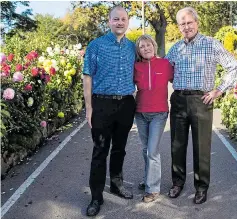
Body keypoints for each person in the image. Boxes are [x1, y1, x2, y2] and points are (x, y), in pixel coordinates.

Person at [165, 7, 237, 204]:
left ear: (197, 23)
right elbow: (165, 71)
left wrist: (218, 90)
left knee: (201, 147)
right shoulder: (175, 48)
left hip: (202, 100)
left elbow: (234, 67)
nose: (186, 26)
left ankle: (201, 187)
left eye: (189, 22)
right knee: (177, 145)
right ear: (179, 27)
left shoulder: (211, 44)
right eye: (182, 24)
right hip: (179, 100)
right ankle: (177, 183)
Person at [82, 6, 136, 217]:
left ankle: (116, 184)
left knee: (119, 149)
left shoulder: (133, 47)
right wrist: (89, 108)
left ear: (127, 22)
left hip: (125, 105)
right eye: (116, 19)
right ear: (109, 21)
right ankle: (96, 197)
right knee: (100, 150)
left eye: (123, 19)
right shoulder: (96, 46)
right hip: (102, 104)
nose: (120, 22)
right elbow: (87, 76)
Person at [134, 35, 173, 203]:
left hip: (159, 113)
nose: (146, 48)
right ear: (139, 51)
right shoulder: (135, 66)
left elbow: (178, 80)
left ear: (154, 46)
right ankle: (148, 178)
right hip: (140, 113)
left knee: (152, 151)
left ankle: (153, 189)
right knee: (145, 150)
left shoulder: (165, 64)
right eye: (142, 46)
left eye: (148, 45)